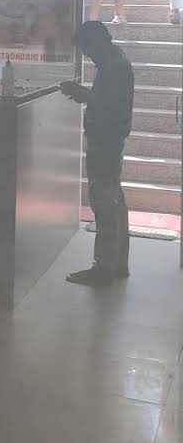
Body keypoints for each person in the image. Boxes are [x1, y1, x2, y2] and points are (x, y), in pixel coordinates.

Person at [61, 21, 134, 287]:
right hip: (111, 140)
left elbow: (108, 105)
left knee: (104, 203)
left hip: (105, 141)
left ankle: (103, 267)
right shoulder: (115, 61)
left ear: (96, 43)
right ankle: (117, 262)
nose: (87, 55)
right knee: (114, 199)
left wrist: (83, 95)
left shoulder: (113, 67)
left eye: (87, 49)